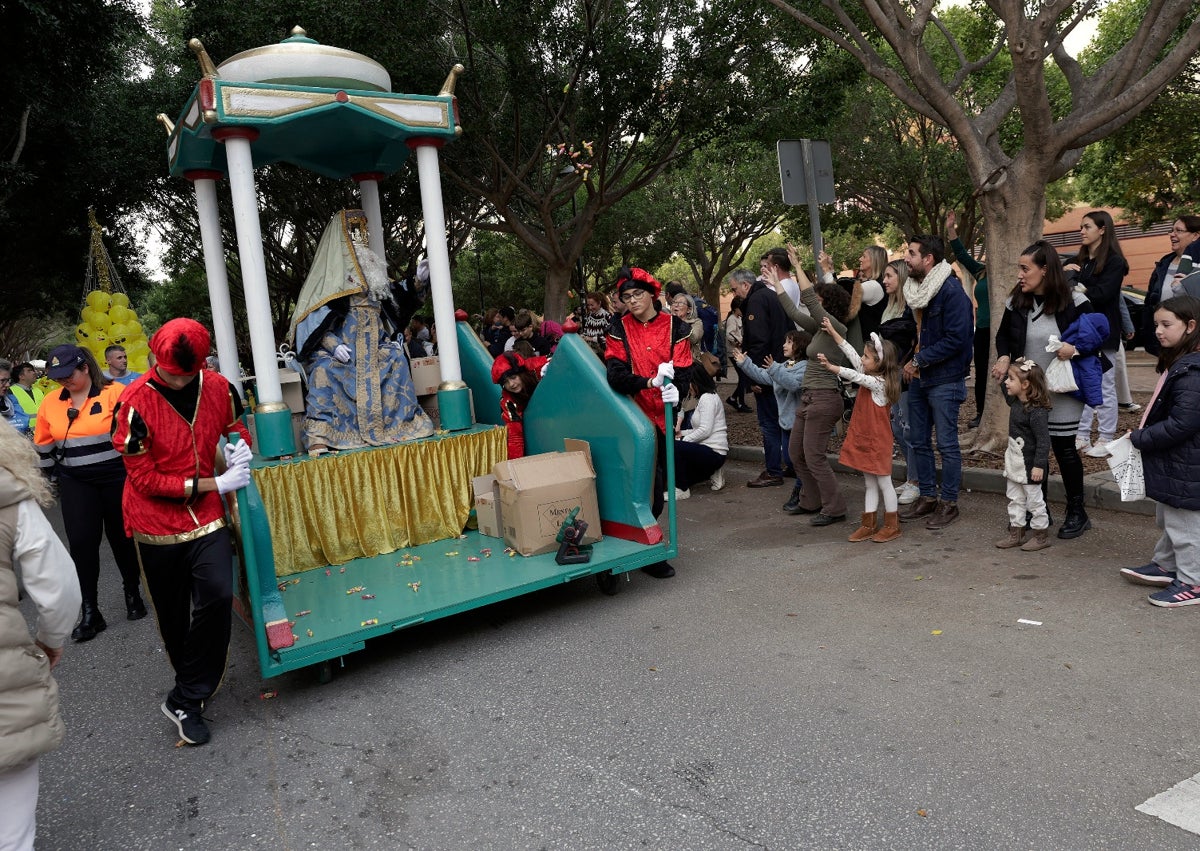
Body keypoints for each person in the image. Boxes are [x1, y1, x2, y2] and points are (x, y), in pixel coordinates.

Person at [112, 318, 254, 745]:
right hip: (155, 523)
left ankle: (187, 696)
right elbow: (145, 481)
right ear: (155, 358)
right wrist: (216, 483)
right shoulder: (134, 402)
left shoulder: (219, 387)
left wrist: (238, 447)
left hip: (207, 517)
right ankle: (188, 691)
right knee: (173, 617)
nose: (176, 380)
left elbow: (234, 427)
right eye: (169, 371)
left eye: (186, 374)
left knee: (215, 594)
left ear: (203, 363)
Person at [288, 210, 434, 453]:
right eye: (352, 232)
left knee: (397, 360)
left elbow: (394, 296)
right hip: (343, 353)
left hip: (377, 348)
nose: (359, 239)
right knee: (324, 371)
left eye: (361, 232)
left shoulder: (373, 271)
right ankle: (321, 436)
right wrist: (334, 345)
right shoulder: (328, 280)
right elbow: (313, 323)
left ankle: (402, 426)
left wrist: (418, 281)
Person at [0, 419, 80, 851]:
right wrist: (51, 640)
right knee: (12, 836)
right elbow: (57, 586)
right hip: (4, 685)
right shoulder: (10, 496)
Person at [994, 241, 1104, 539]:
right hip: (1029, 392)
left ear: (1045, 270)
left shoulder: (1075, 301)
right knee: (1031, 450)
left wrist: (1075, 348)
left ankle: (1077, 512)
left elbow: (1098, 338)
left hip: (1063, 390)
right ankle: (1037, 511)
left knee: (1064, 449)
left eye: (1025, 268)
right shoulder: (1017, 301)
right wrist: (1004, 356)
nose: (1020, 274)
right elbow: (1004, 336)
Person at [34, 344, 144, 640]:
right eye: (58, 377)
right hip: (75, 481)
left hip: (116, 476)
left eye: (68, 374)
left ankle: (132, 592)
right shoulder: (50, 402)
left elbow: (136, 437)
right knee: (82, 543)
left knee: (122, 538)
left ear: (85, 367)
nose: (63, 381)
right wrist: (45, 481)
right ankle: (91, 611)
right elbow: (44, 446)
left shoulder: (115, 394)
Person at [604, 266, 693, 579]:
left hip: (665, 417)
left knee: (659, 488)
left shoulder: (675, 326)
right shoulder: (619, 327)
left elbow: (684, 371)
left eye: (637, 294)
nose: (632, 301)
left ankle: (645, 544)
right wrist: (648, 383)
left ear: (651, 293)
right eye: (626, 297)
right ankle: (650, 550)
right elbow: (614, 375)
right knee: (650, 489)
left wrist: (674, 392)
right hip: (634, 418)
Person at [1120, 296, 1200, 607]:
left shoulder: (1193, 371)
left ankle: (1193, 583)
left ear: (1190, 326)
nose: (1158, 331)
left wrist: (1142, 438)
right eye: (1156, 325)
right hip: (1178, 462)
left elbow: (1183, 423)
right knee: (1170, 517)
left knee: (1186, 526)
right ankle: (1166, 565)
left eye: (1167, 325)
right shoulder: (1182, 364)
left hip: (1188, 463)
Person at [767, 246, 853, 525]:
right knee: (796, 454)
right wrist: (777, 282)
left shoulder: (836, 328)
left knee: (813, 456)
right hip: (809, 399)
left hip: (825, 399)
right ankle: (811, 500)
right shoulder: (818, 329)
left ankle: (835, 508)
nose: (813, 302)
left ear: (829, 304)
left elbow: (808, 302)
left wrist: (797, 266)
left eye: (818, 299)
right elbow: (792, 308)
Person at [896, 234, 974, 530]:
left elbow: (957, 339)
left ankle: (949, 503)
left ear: (928, 259)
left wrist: (919, 359)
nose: (907, 258)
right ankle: (927, 496)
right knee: (918, 440)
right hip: (918, 377)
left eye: (911, 254)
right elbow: (909, 330)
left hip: (944, 379)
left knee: (946, 443)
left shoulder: (952, 292)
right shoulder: (916, 290)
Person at [817, 324, 903, 543]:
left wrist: (832, 367)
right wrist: (834, 332)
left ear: (879, 363)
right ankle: (869, 524)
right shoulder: (870, 371)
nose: (862, 359)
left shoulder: (878, 384)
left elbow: (855, 376)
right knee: (870, 483)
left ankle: (892, 525)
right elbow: (851, 353)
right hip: (866, 440)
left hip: (878, 442)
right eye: (864, 356)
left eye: (867, 357)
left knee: (884, 482)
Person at [1066, 211, 1128, 457]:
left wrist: (1078, 285)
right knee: (1080, 383)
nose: (1082, 231)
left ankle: (1106, 437)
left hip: (1104, 333)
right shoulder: (1078, 260)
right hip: (1080, 332)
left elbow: (1104, 294)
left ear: (1102, 229)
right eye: (1081, 226)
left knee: (1104, 385)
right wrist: (1067, 272)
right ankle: (1081, 435)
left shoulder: (1114, 262)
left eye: (1087, 226)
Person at [732, 329, 811, 511]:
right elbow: (764, 376)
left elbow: (793, 384)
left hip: (799, 423)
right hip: (786, 423)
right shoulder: (785, 365)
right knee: (791, 461)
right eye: (785, 341)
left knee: (797, 460)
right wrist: (745, 363)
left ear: (800, 346)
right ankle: (805, 489)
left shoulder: (805, 367)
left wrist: (774, 368)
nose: (784, 345)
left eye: (789, 342)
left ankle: (801, 492)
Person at [727, 268, 791, 487]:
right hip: (781, 367)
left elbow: (758, 341)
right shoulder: (771, 295)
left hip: (766, 370)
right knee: (783, 420)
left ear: (746, 285)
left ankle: (773, 470)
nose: (734, 293)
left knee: (770, 423)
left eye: (735, 289)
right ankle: (790, 465)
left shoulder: (756, 301)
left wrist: (753, 377)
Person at [994, 359, 1053, 552]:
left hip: (1030, 466)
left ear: (1025, 385)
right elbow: (1005, 389)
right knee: (1015, 498)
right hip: (1015, 462)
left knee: (1034, 501)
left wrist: (1039, 465)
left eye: (1011, 379)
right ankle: (1016, 532)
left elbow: (1044, 441)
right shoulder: (1016, 401)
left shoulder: (1037, 412)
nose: (1006, 383)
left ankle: (1040, 535)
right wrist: (1002, 373)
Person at [876, 260, 919, 505]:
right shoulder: (888, 307)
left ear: (901, 277)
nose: (885, 280)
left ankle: (916, 481)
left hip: (905, 375)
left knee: (908, 428)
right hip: (890, 376)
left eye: (889, 276)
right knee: (897, 428)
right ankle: (912, 476)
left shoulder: (910, 307)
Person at [945, 212, 990, 428]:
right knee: (981, 372)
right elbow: (961, 255)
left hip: (1002, 329)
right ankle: (982, 413)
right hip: (981, 329)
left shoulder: (1012, 274)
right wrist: (951, 229)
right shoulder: (981, 272)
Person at [1142, 215, 1200, 355]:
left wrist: (1189, 283)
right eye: (1171, 230)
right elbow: (1150, 302)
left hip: (1193, 343)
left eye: (1179, 230)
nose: (1172, 234)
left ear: (1196, 236)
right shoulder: (1163, 265)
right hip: (1165, 344)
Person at [673, 367, 728, 496]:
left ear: (696, 383)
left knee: (675, 448)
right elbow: (701, 428)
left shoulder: (707, 399)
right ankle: (711, 472)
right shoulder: (705, 398)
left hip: (714, 451)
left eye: (690, 384)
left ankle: (682, 489)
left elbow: (705, 430)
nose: (689, 388)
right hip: (708, 449)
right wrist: (683, 433)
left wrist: (684, 441)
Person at [491, 351, 548, 459]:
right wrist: (515, 468)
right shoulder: (508, 401)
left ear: (521, 373)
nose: (511, 384)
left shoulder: (539, 367)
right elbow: (515, 436)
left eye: (513, 377)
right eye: (505, 382)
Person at [723, 297, 752, 413]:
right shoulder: (732, 319)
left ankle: (736, 400)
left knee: (743, 377)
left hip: (738, 351)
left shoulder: (738, 318)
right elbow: (729, 334)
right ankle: (737, 401)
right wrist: (739, 340)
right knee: (743, 378)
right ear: (736, 309)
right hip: (734, 352)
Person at [9, 362, 44, 432]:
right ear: (21, 376)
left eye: (33, 370)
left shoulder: (38, 391)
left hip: (43, 434)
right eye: (29, 371)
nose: (34, 373)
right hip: (24, 436)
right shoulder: (10, 392)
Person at [0, 361, 31, 436]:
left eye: (8, 380)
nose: (7, 385)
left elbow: (26, 429)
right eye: (2, 381)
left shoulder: (12, 401)